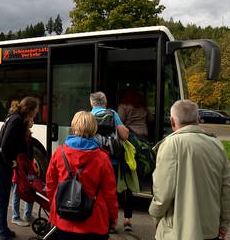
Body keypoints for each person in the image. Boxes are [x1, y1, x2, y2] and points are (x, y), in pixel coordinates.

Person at [149, 100, 230, 240]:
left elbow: (162, 194)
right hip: (210, 230)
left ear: (172, 121)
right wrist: (224, 225)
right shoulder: (216, 144)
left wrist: (155, 216)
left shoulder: (171, 144)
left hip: (176, 232)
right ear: (198, 119)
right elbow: (228, 190)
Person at [46, 111, 118, 240]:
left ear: (74, 127)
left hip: (63, 219)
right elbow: (110, 194)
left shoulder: (60, 152)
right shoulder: (102, 157)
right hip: (94, 221)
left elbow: (50, 183)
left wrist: (54, 205)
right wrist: (113, 217)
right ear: (94, 128)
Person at [0, 97, 39, 240]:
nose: (37, 112)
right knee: (2, 200)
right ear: (30, 109)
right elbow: (5, 145)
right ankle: (3, 232)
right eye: (36, 109)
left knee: (0, 198)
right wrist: (10, 162)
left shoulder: (18, 120)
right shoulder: (16, 120)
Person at [89, 91, 130, 232]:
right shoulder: (112, 113)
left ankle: (98, 222)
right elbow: (124, 135)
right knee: (110, 193)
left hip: (94, 162)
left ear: (91, 103)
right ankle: (110, 224)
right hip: (111, 162)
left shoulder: (89, 116)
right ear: (105, 102)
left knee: (97, 193)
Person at [116, 89, 153, 231]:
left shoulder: (124, 106)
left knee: (123, 179)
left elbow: (119, 122)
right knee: (133, 176)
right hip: (143, 139)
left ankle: (114, 220)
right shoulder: (143, 108)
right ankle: (128, 219)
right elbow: (150, 119)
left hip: (130, 141)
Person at [10, 103, 36, 227]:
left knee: (30, 190)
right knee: (17, 191)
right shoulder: (21, 133)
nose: (33, 121)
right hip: (20, 167)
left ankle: (27, 214)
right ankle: (15, 216)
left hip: (28, 166)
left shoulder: (29, 134)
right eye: (31, 119)